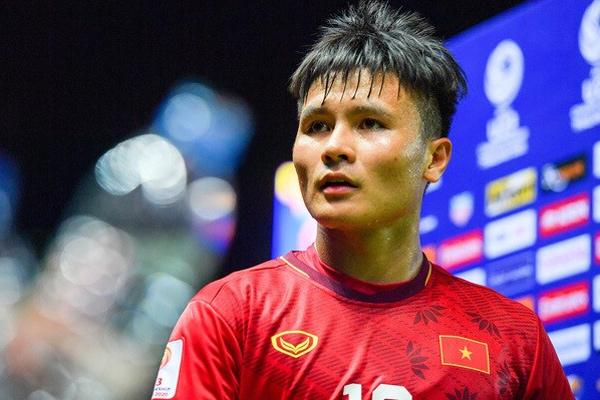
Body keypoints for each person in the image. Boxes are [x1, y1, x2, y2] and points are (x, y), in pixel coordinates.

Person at [151, 1, 573, 399]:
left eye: (369, 123)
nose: (334, 147)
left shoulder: (516, 341)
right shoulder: (230, 315)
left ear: (434, 159)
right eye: (316, 126)